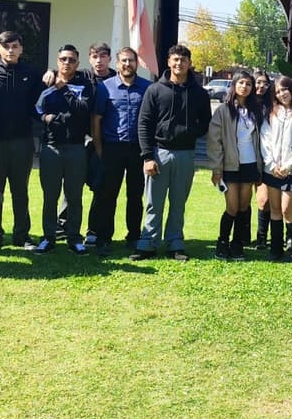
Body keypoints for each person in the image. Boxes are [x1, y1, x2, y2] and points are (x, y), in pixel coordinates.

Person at [133, 43, 212, 260]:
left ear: (189, 64)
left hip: (186, 154)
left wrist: (189, 132)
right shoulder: (155, 90)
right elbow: (144, 124)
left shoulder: (199, 93)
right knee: (153, 202)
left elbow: (205, 122)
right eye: (175, 59)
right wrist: (147, 156)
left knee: (178, 202)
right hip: (159, 153)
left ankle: (175, 243)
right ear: (169, 62)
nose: (179, 63)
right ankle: (148, 242)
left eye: (183, 60)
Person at [0, 30, 43, 252]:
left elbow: (40, 102)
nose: (11, 50)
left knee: (20, 191)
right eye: (6, 47)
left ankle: (22, 236)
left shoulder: (31, 73)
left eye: (15, 46)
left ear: (21, 49)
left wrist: (52, 76)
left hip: (22, 141)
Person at [87, 46, 150, 254]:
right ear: (117, 64)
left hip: (137, 150)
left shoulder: (147, 88)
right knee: (108, 195)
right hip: (111, 148)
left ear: (136, 63)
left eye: (131, 60)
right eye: (123, 61)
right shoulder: (106, 87)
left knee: (135, 195)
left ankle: (133, 236)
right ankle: (104, 238)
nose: (127, 64)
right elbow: (96, 119)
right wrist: (99, 148)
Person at [34, 44, 94, 254]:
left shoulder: (84, 84)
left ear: (77, 63)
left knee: (74, 196)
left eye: (71, 60)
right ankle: (48, 237)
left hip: (76, 148)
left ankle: (74, 238)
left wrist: (64, 90)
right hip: (51, 148)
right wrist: (45, 118)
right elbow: (35, 111)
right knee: (50, 196)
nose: (67, 63)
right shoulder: (46, 83)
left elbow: (82, 110)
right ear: (57, 61)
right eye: (63, 59)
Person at [207, 69, 265, 260]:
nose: (245, 87)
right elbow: (214, 141)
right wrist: (217, 168)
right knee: (231, 207)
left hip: (249, 165)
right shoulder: (223, 111)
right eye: (241, 83)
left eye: (248, 84)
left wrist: (260, 168)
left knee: (243, 207)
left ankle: (237, 243)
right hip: (230, 166)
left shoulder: (255, 111)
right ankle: (222, 242)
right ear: (234, 85)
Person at [260, 76, 292, 261]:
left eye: (285, 89)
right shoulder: (271, 113)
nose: (282, 94)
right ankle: (275, 250)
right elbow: (265, 140)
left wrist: (289, 166)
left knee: (288, 210)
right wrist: (272, 165)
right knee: (274, 209)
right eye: (278, 91)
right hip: (272, 169)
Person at [251, 70, 274, 250]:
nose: (261, 86)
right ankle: (242, 237)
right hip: (244, 157)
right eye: (258, 82)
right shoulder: (244, 104)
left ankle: (261, 237)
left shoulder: (271, 107)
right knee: (241, 200)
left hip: (263, 158)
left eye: (265, 83)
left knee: (264, 200)